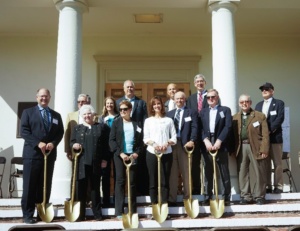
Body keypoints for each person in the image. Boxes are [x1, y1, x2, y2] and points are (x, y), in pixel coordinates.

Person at [20, 88, 64, 224]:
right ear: (37, 97)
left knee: (45, 186)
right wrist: (37, 143)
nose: (44, 98)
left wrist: (53, 143)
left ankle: (41, 213)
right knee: (29, 186)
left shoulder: (56, 115)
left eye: (46, 96)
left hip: (49, 156)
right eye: (41, 96)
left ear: (50, 97)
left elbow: (60, 133)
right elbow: (24, 131)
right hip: (32, 155)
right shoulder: (28, 113)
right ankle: (27, 215)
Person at [70, 105, 109, 221]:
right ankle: (80, 214)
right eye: (84, 114)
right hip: (82, 163)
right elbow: (71, 142)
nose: (87, 116)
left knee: (95, 189)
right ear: (82, 116)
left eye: (89, 113)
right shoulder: (77, 128)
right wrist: (74, 145)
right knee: (81, 189)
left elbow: (106, 145)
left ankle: (97, 214)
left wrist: (105, 159)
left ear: (93, 114)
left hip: (96, 163)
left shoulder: (101, 127)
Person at [231, 94, 269, 205]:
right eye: (242, 102)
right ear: (239, 104)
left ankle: (259, 196)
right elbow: (232, 135)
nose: (244, 103)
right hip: (241, 147)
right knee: (242, 172)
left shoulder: (259, 116)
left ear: (250, 103)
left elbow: (265, 135)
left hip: (256, 147)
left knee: (259, 171)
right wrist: (232, 149)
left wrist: (264, 149)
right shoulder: (235, 117)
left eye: (246, 101)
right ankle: (245, 196)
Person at [109, 100, 143, 219]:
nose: (122, 111)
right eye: (121, 109)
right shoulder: (116, 123)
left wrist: (136, 153)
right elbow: (111, 140)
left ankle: (132, 210)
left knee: (132, 182)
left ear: (130, 110)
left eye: (125, 109)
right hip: (120, 156)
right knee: (120, 181)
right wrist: (121, 153)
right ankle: (119, 210)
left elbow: (140, 142)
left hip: (132, 155)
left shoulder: (136, 124)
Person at [199, 89, 232, 205]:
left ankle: (225, 197)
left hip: (220, 143)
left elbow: (227, 127)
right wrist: (206, 141)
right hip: (207, 143)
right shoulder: (202, 112)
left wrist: (219, 141)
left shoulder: (225, 110)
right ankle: (208, 196)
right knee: (207, 171)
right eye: (208, 97)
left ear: (217, 97)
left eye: (213, 97)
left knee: (223, 170)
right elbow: (200, 128)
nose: (211, 99)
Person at [116, 80, 148, 195]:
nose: (129, 89)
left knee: (138, 170)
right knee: (120, 175)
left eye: (131, 87)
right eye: (127, 87)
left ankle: (139, 194)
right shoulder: (118, 102)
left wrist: (144, 139)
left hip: (137, 141)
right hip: (123, 141)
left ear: (134, 89)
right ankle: (122, 196)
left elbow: (145, 121)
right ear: (124, 89)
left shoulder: (141, 103)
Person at [143, 96, 177, 206]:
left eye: (158, 103)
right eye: (154, 104)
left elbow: (174, 138)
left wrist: (167, 143)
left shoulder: (169, 120)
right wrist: (155, 145)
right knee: (153, 179)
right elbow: (146, 138)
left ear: (162, 105)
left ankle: (164, 203)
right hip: (152, 153)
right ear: (151, 107)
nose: (157, 106)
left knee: (164, 180)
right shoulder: (148, 121)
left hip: (166, 153)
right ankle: (154, 204)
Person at [167, 91, 198, 206]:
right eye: (177, 99)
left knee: (186, 172)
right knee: (172, 172)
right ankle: (172, 198)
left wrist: (192, 140)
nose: (179, 100)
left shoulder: (191, 112)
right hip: (172, 145)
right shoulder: (169, 114)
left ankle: (187, 197)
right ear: (174, 100)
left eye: (181, 98)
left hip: (185, 145)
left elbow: (195, 127)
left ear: (185, 100)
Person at [255, 82, 285, 194]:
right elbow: (255, 122)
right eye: (262, 89)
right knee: (265, 163)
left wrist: (268, 131)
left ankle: (279, 186)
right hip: (262, 141)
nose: (264, 91)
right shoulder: (258, 106)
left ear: (272, 91)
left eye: (267, 89)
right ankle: (267, 186)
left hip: (275, 139)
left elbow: (279, 119)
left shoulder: (279, 103)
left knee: (277, 163)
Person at [186, 74, 209, 194]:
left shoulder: (210, 96)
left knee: (208, 163)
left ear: (205, 83)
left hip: (207, 135)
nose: (199, 83)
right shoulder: (190, 99)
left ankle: (207, 190)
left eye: (201, 81)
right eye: (197, 82)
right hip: (194, 136)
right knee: (195, 164)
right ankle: (196, 189)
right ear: (194, 84)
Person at [98, 96, 119, 207]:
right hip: (105, 150)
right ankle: (105, 200)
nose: (109, 105)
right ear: (105, 105)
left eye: (111, 103)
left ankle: (117, 200)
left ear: (114, 105)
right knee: (105, 175)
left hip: (116, 149)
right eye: (107, 103)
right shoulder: (101, 118)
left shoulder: (119, 117)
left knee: (117, 175)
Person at [65, 93, 89, 160]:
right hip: (75, 148)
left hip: (89, 149)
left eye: (83, 101)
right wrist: (67, 150)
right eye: (79, 102)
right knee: (75, 169)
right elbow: (67, 133)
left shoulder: (94, 116)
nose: (80, 103)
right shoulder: (71, 116)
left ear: (87, 102)